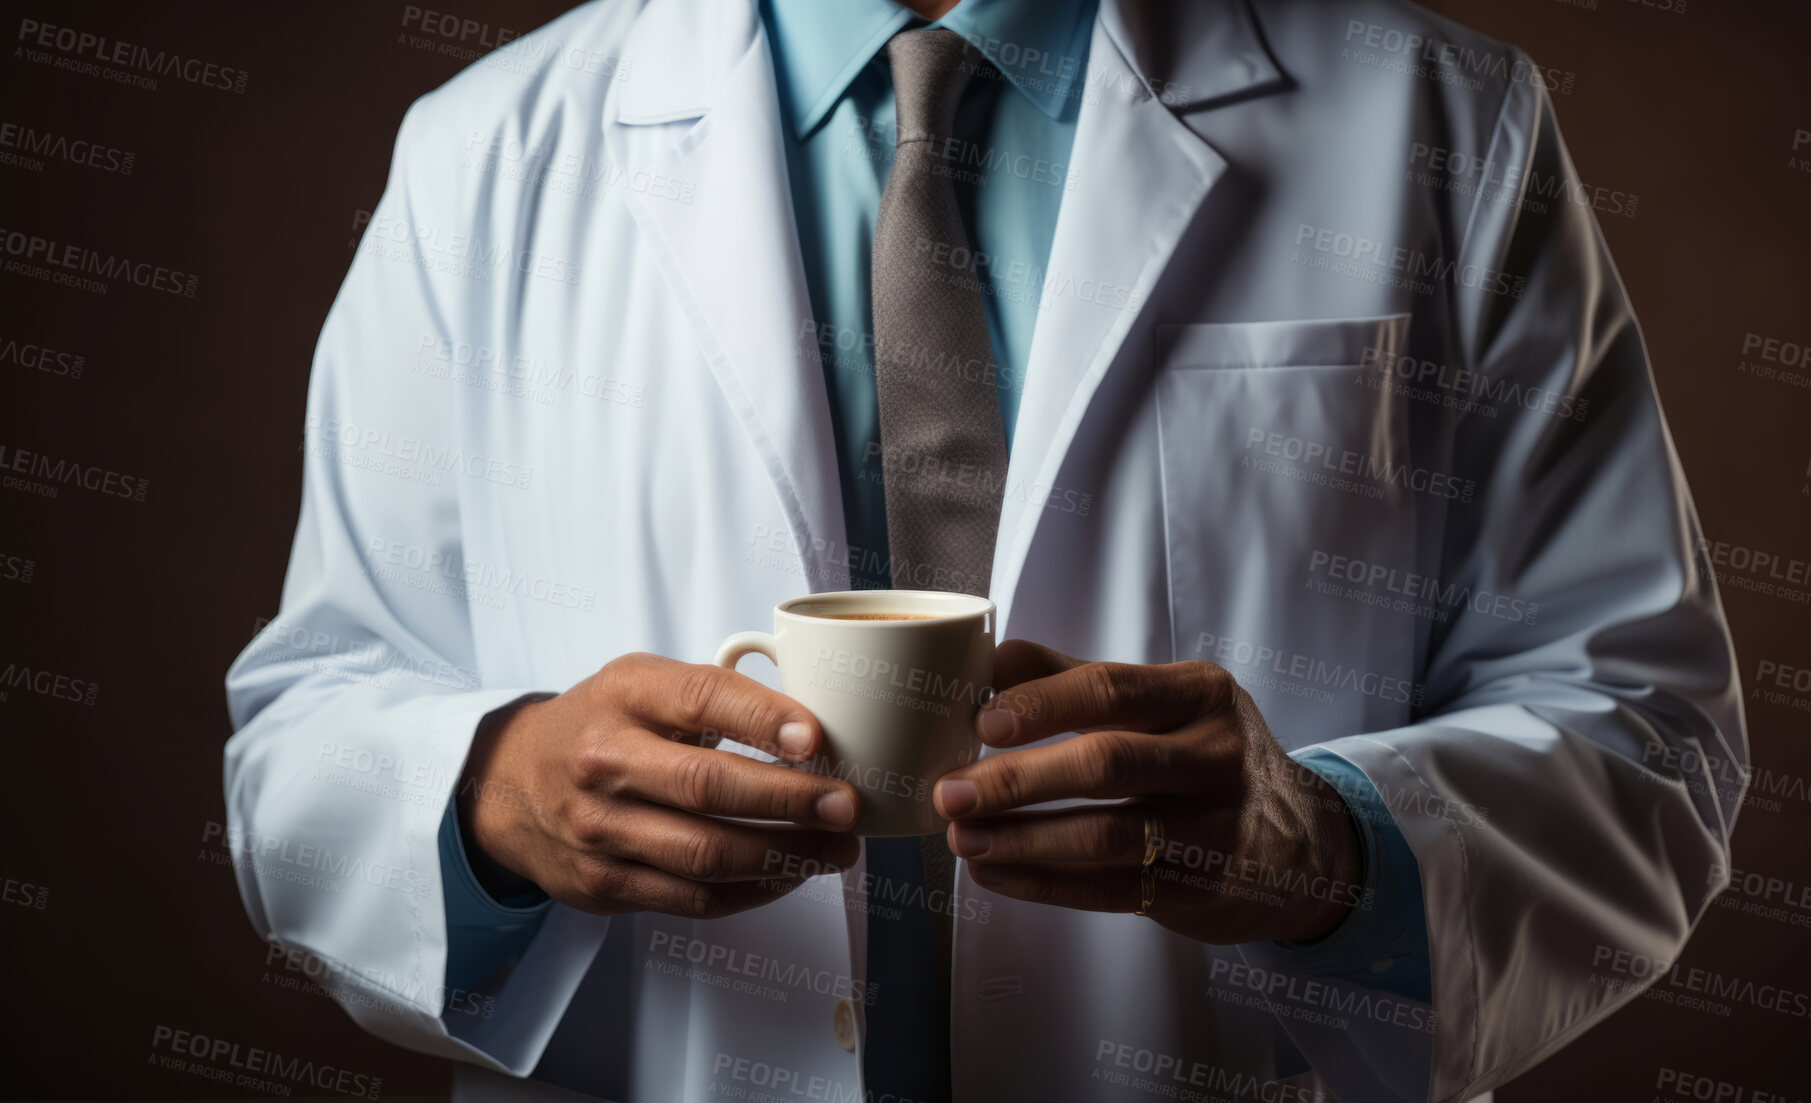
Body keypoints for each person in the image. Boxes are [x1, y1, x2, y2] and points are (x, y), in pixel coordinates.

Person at [224, 0, 1746, 1100]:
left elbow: (1649, 739)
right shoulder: (485, 154)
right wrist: (493, 801)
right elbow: (309, 731)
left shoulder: (1441, 122)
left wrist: (1329, 848)